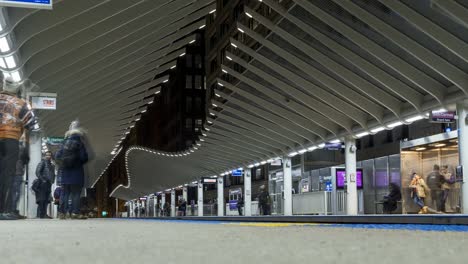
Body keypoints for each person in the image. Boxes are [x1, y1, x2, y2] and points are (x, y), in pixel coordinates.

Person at [0, 78, 35, 220]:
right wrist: (26, 147)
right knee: (6, 176)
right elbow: (31, 124)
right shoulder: (21, 104)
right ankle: (4, 210)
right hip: (10, 140)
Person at [55, 120, 89, 220]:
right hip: (77, 173)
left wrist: (63, 164)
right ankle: (75, 213)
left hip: (65, 173)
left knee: (65, 193)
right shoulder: (80, 143)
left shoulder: (63, 142)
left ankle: (62, 213)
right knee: (76, 194)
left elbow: (57, 156)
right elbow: (84, 158)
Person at [34, 151, 55, 218]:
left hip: (49, 183)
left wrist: (52, 181)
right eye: (47, 155)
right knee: (42, 199)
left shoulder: (51, 165)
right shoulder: (42, 162)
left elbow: (52, 174)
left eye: (49, 155)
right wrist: (43, 180)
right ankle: (41, 214)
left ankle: (44, 214)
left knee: (46, 199)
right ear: (44, 156)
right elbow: (37, 172)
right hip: (43, 183)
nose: (48, 156)